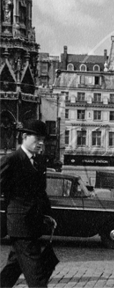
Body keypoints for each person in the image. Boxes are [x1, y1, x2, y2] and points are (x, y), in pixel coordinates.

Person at [0, 120, 57, 288]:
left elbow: (40, 192)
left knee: (12, 268)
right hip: (20, 226)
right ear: (25, 137)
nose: (41, 143)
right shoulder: (12, 160)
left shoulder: (39, 162)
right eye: (38, 139)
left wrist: (47, 214)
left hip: (34, 223)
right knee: (37, 276)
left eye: (43, 140)